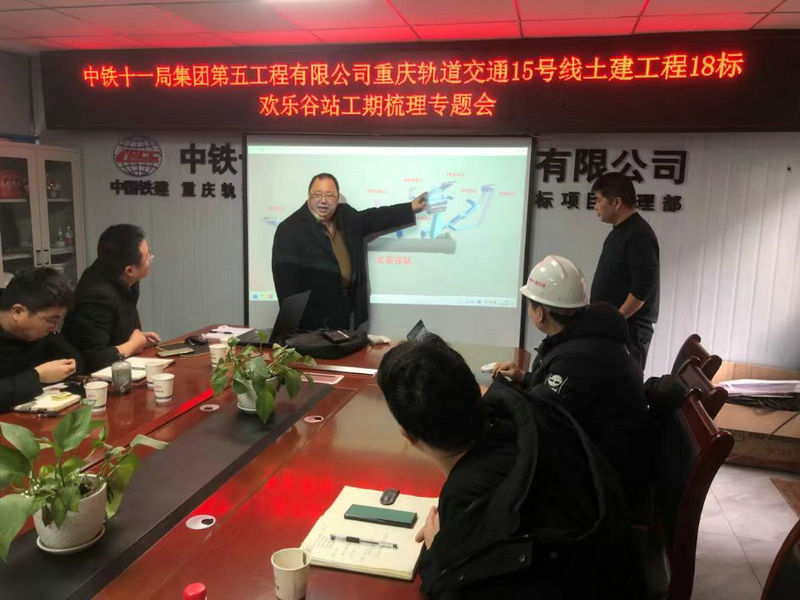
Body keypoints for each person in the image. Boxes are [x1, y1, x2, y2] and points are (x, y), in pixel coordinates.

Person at [377, 334, 640, 599]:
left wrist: (439, 554)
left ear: (407, 435)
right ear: (475, 392)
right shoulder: (524, 414)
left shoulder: (470, 499)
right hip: (616, 560)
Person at [493, 255, 648, 511]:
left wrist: (490, 398)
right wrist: (524, 377)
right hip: (610, 456)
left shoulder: (577, 359)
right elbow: (567, 392)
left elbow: (535, 416)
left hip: (601, 484)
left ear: (540, 313)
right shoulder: (591, 337)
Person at [272, 173, 428, 331]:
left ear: (337, 198)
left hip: (348, 317)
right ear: (309, 196)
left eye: (330, 195)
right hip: (312, 324)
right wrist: (297, 332)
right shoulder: (289, 230)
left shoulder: (345, 217)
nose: (323, 200)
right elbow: (286, 289)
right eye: (317, 194)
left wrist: (410, 207)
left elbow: (375, 217)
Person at [63, 224, 161, 372]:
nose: (151, 258)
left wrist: (138, 339)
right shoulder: (96, 295)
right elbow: (92, 359)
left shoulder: (123, 278)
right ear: (130, 270)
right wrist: (132, 345)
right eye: (148, 256)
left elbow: (112, 329)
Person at [589, 171, 660, 370]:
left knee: (621, 383)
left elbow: (642, 288)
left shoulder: (639, 234)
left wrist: (617, 319)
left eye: (599, 200)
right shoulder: (620, 232)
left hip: (629, 332)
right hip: (615, 329)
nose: (595, 206)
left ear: (616, 202)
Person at [0, 267, 82, 411]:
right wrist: (37, 376)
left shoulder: (40, 333)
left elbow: (75, 361)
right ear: (18, 312)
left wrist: (68, 367)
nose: (54, 327)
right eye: (51, 320)